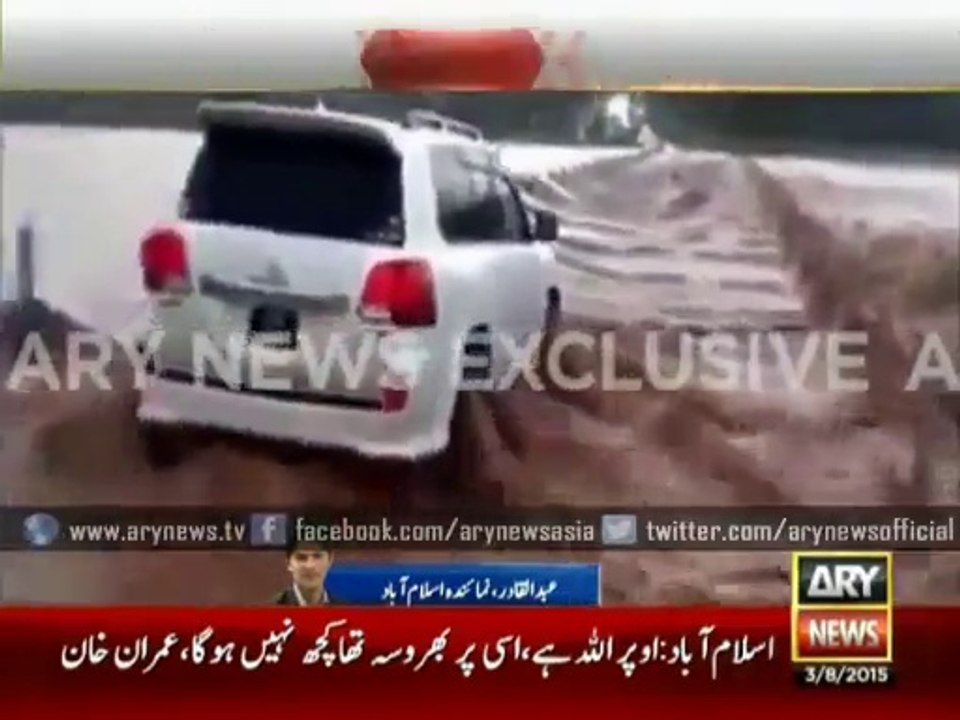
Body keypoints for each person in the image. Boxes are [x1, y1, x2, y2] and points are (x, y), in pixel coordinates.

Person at [273, 538, 338, 606]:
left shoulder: (346, 610)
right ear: (288, 563)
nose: (309, 566)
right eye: (301, 557)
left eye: (317, 556)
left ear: (330, 560)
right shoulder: (270, 612)